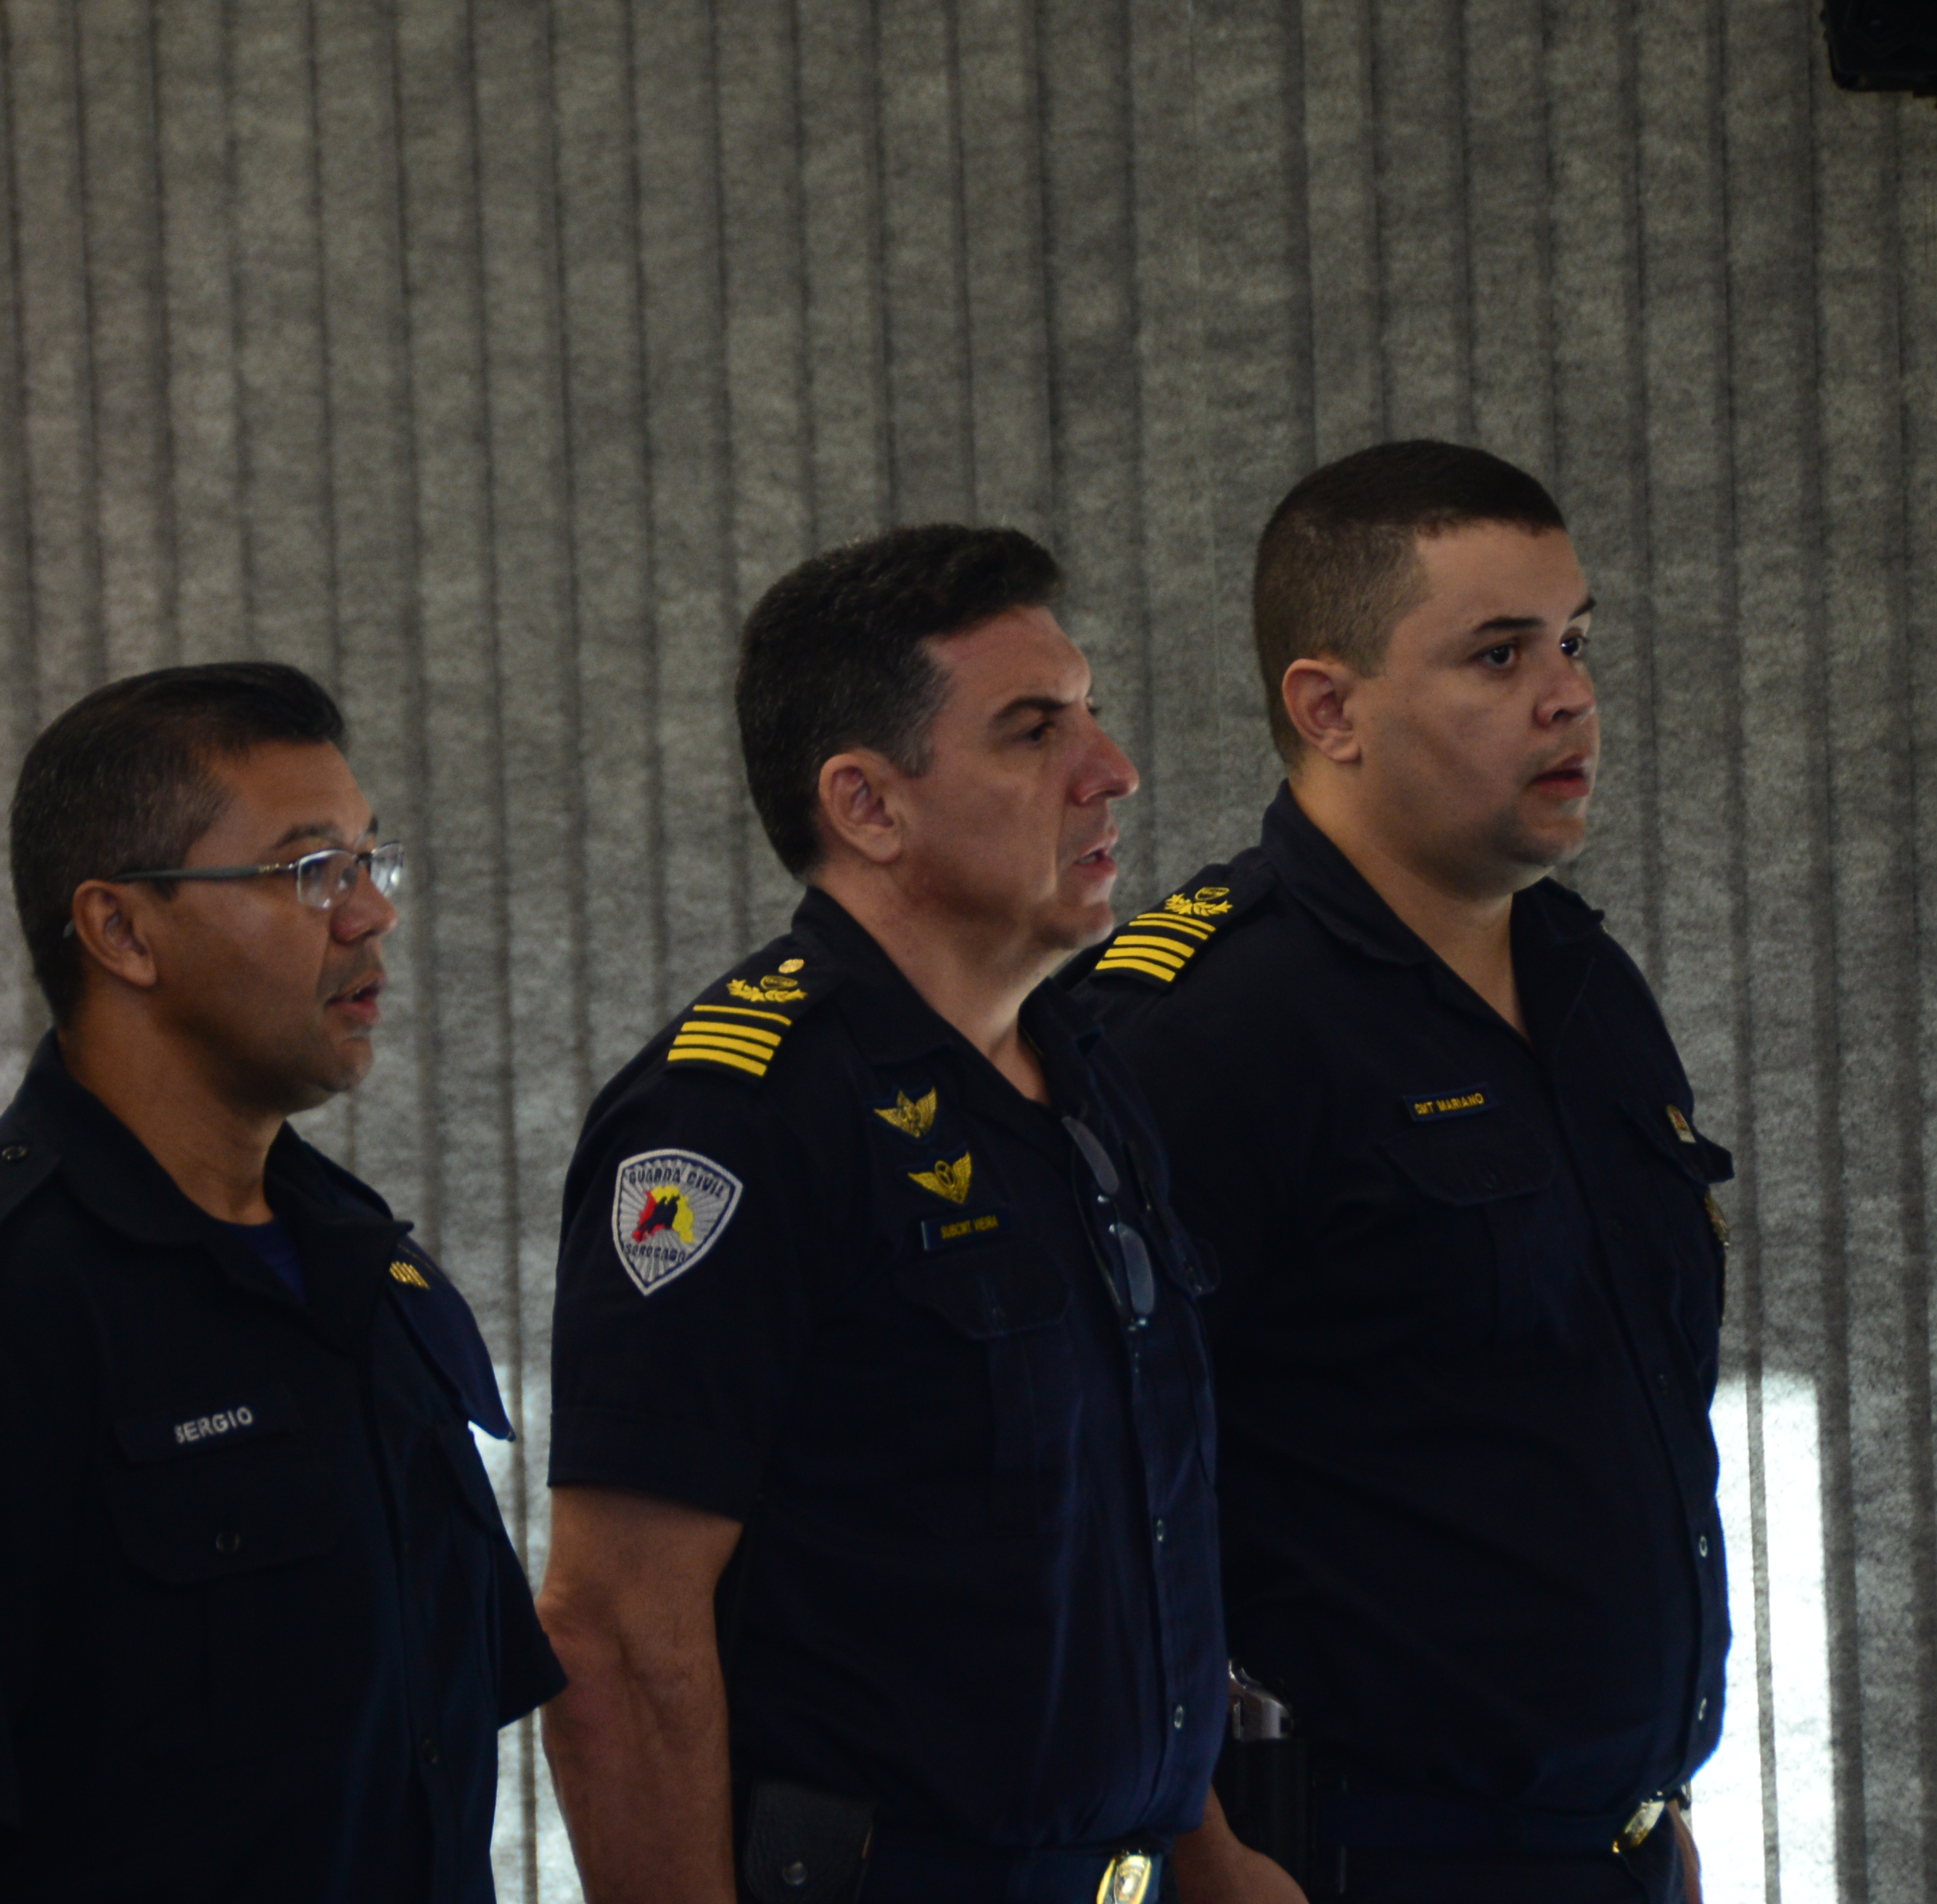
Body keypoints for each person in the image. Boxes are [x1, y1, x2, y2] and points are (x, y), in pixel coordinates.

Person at [534, 525, 1273, 1904]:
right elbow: (618, 1630)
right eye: (1034, 731)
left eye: (1091, 713)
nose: (1112, 768)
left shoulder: (1084, 1072)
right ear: (868, 805)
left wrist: (1213, 1859)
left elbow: (1124, 1548)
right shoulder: (733, 1117)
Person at [0, 662, 564, 1902]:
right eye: (312, 871)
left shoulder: (365, 1267)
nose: (371, 915)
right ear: (122, 931)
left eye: (371, 862)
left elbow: (422, 1755)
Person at [1079, 441, 1728, 1904]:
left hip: (1612, 1849)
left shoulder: (1583, 979)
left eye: (1574, 642)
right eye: (1499, 655)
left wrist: (1647, 1808)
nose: (1568, 697)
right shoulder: (1200, 1031)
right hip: (1358, 1856)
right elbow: (1094, 1500)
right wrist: (1203, 1856)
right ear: (1331, 709)